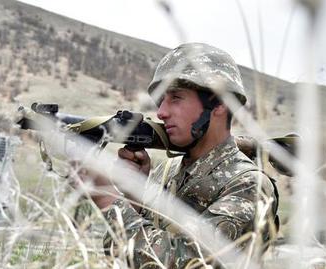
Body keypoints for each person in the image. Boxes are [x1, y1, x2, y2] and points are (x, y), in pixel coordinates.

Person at [85, 43, 279, 268]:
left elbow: (187, 260)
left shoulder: (249, 186)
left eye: (175, 98)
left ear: (218, 104)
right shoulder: (164, 172)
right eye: (161, 101)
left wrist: (108, 199)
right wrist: (132, 195)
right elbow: (122, 257)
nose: (161, 112)